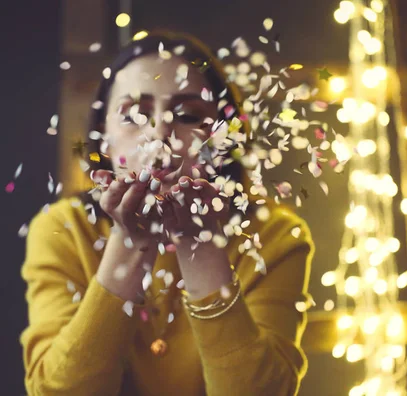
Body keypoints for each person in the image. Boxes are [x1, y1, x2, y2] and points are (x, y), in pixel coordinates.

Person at [19, 31, 314, 396]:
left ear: (224, 139)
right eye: (134, 114)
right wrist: (130, 242)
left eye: (189, 114)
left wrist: (199, 245)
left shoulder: (274, 236)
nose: (160, 133)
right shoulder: (62, 228)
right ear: (103, 138)